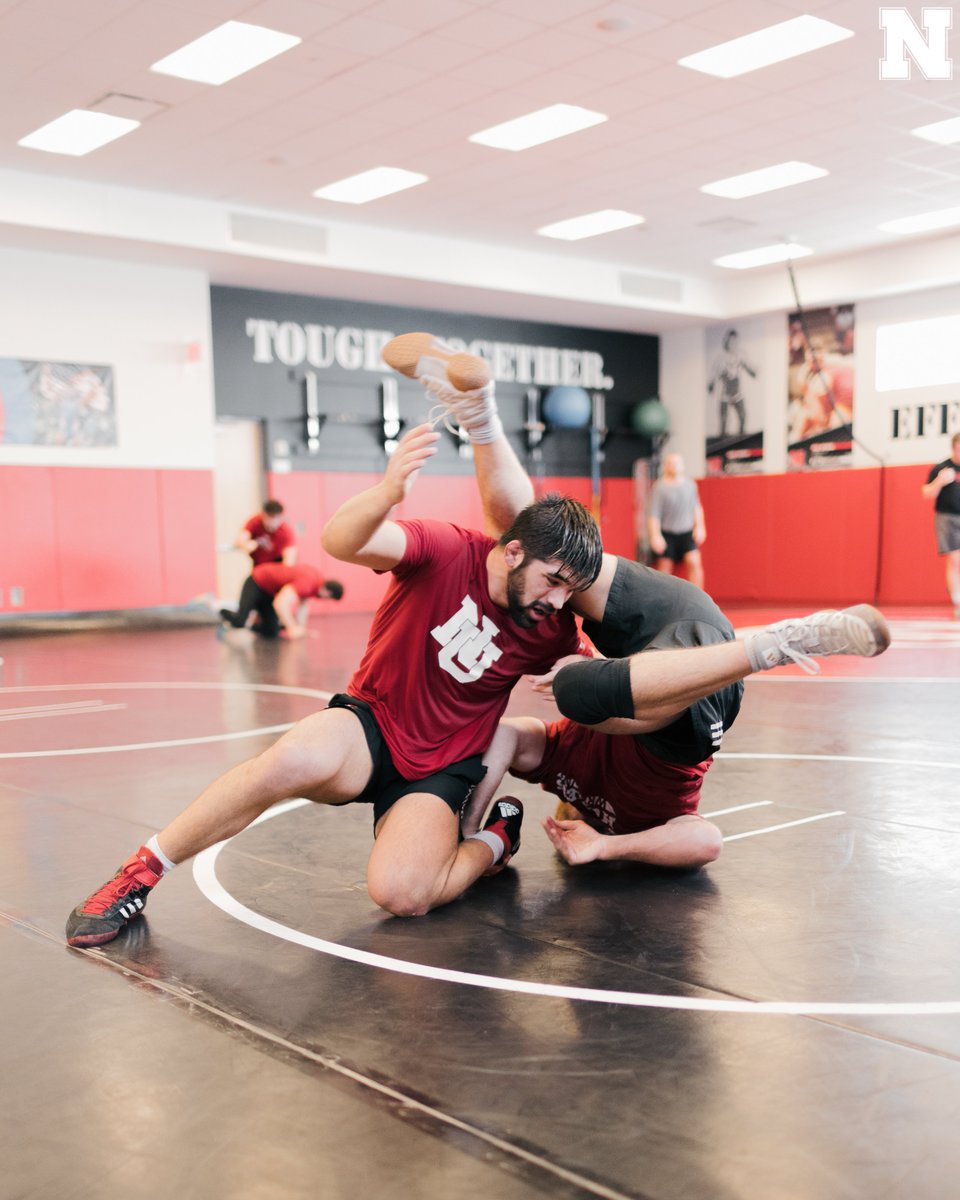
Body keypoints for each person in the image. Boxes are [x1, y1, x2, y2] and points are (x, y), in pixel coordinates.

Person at [65, 423, 605, 946]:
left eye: (568, 592)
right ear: (513, 553)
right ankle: (139, 873)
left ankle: (496, 839)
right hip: (370, 727)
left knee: (404, 894)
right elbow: (341, 541)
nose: (557, 602)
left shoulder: (551, 627)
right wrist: (387, 493)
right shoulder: (442, 549)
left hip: (442, 766)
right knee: (286, 759)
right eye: (552, 582)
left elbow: (613, 683)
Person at [390, 334, 891, 872]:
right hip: (692, 687)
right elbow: (706, 842)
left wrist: (469, 834)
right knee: (576, 667)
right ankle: (781, 643)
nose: (571, 810)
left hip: (665, 636)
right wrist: (609, 846)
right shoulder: (650, 814)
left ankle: (480, 416)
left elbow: (507, 734)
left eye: (569, 810)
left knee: (532, 555)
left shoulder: (560, 767)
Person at [220, 563, 344, 640]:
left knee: (271, 631)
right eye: (328, 598)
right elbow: (280, 603)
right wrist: (292, 628)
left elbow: (303, 606)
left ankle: (251, 623)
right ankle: (219, 610)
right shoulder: (308, 583)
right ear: (328, 593)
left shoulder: (317, 583)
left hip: (268, 592)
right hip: (256, 581)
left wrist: (300, 629)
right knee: (239, 621)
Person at [646, 453, 706, 591]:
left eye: (677, 463)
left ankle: (698, 597)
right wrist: (655, 535)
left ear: (682, 466)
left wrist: (700, 527)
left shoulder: (690, 485)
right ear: (666, 466)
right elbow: (653, 515)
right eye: (671, 463)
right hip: (668, 534)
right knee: (664, 569)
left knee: (694, 562)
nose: (674, 466)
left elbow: (696, 507)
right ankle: (662, 602)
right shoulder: (659, 488)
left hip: (686, 533)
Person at [921, 431, 960, 619]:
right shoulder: (942, 468)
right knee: (955, 559)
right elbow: (927, 493)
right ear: (954, 449)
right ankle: (958, 602)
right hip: (947, 517)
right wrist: (939, 481)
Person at [708, 329, 756, 439]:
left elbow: (751, 370)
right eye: (730, 342)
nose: (732, 345)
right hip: (725, 393)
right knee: (724, 419)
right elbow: (714, 376)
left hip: (736, 392)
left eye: (735, 342)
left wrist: (752, 371)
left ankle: (741, 439)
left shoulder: (741, 356)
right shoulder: (721, 359)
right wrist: (711, 385)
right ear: (727, 342)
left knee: (743, 416)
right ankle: (722, 441)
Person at [236, 499, 296, 568]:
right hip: (259, 564)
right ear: (264, 515)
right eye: (270, 518)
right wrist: (246, 544)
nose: (273, 522)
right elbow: (240, 540)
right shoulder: (256, 522)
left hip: (276, 564)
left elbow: (289, 560)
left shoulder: (285, 531)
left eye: (276, 518)